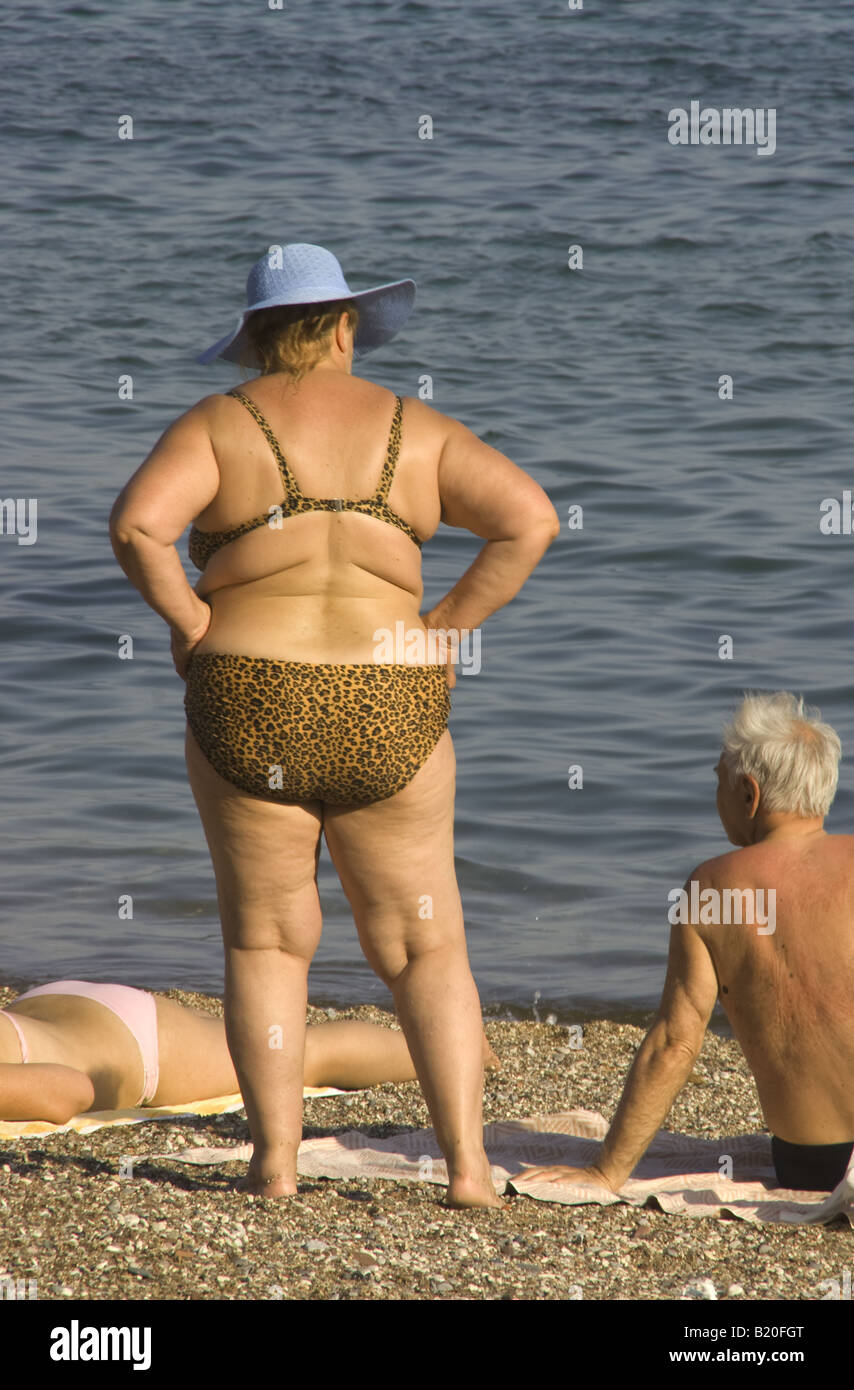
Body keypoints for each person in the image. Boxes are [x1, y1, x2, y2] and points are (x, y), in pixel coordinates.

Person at [109, 242, 559, 1205]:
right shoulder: (415, 426)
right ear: (348, 326)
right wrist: (444, 631)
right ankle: (471, 1172)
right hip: (386, 694)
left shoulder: (220, 424)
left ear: (255, 340)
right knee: (423, 942)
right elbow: (530, 519)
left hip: (250, 694)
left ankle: (276, 1167)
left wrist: (190, 621)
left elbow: (137, 527)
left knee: (269, 941)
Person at [524, 692, 854, 1195]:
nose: (715, 795)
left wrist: (606, 1172)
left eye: (718, 780)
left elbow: (675, 1042)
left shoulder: (710, 888)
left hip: (816, 1168)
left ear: (750, 794)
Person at [0, 978, 500, 1123]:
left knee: (304, 1057)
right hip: (53, 1008)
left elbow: (69, 1090)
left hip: (134, 1042)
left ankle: (460, 1048)